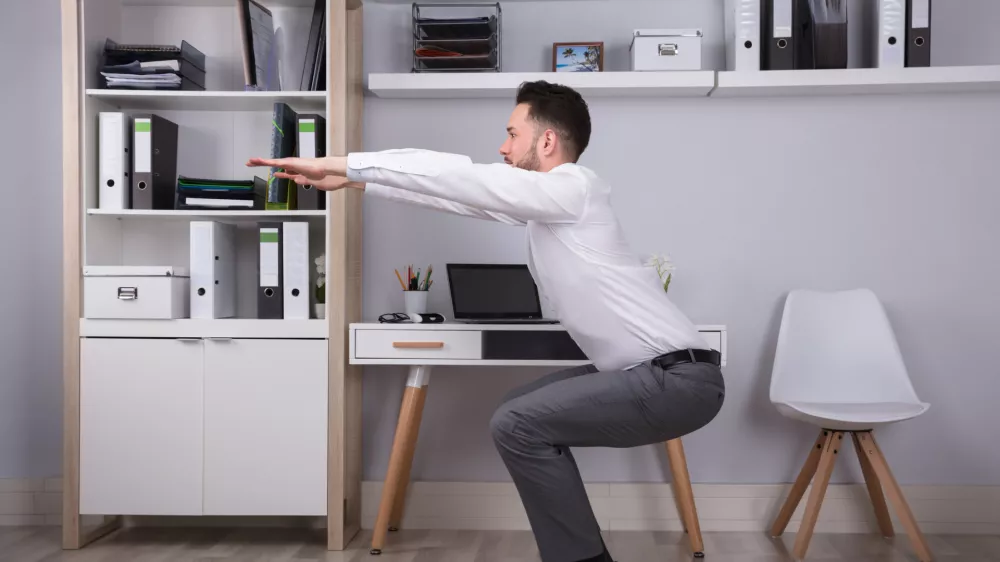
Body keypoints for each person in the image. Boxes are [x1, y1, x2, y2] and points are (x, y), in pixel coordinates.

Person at [247, 80, 725, 562]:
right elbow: (460, 198)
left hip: (677, 379)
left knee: (517, 422)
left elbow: (461, 177)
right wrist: (358, 182)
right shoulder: (550, 209)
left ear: (546, 141)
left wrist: (337, 161)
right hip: (652, 375)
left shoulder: (574, 186)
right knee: (518, 409)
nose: (502, 146)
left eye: (512, 133)